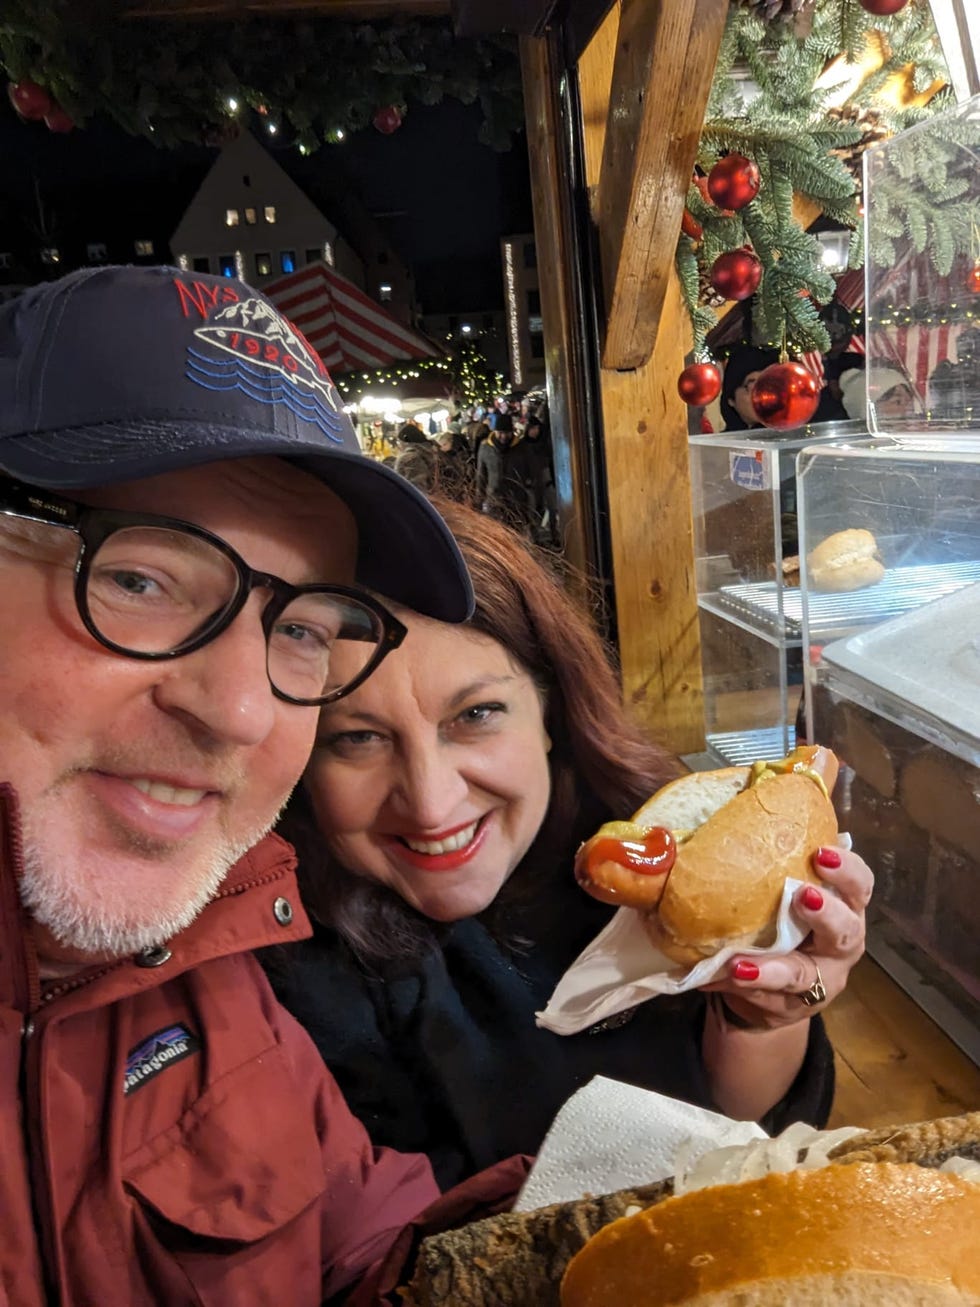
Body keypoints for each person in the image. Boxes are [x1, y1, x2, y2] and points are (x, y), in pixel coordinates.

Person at [0, 264, 511, 1306]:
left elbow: (365, 1248)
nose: (237, 710)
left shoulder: (207, 956)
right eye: (140, 578)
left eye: (301, 629)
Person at [266, 499, 873, 1189]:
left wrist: (760, 1018)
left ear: (550, 710)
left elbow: (738, 1131)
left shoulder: (650, 845)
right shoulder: (274, 968)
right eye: (357, 738)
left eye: (475, 715)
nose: (431, 802)